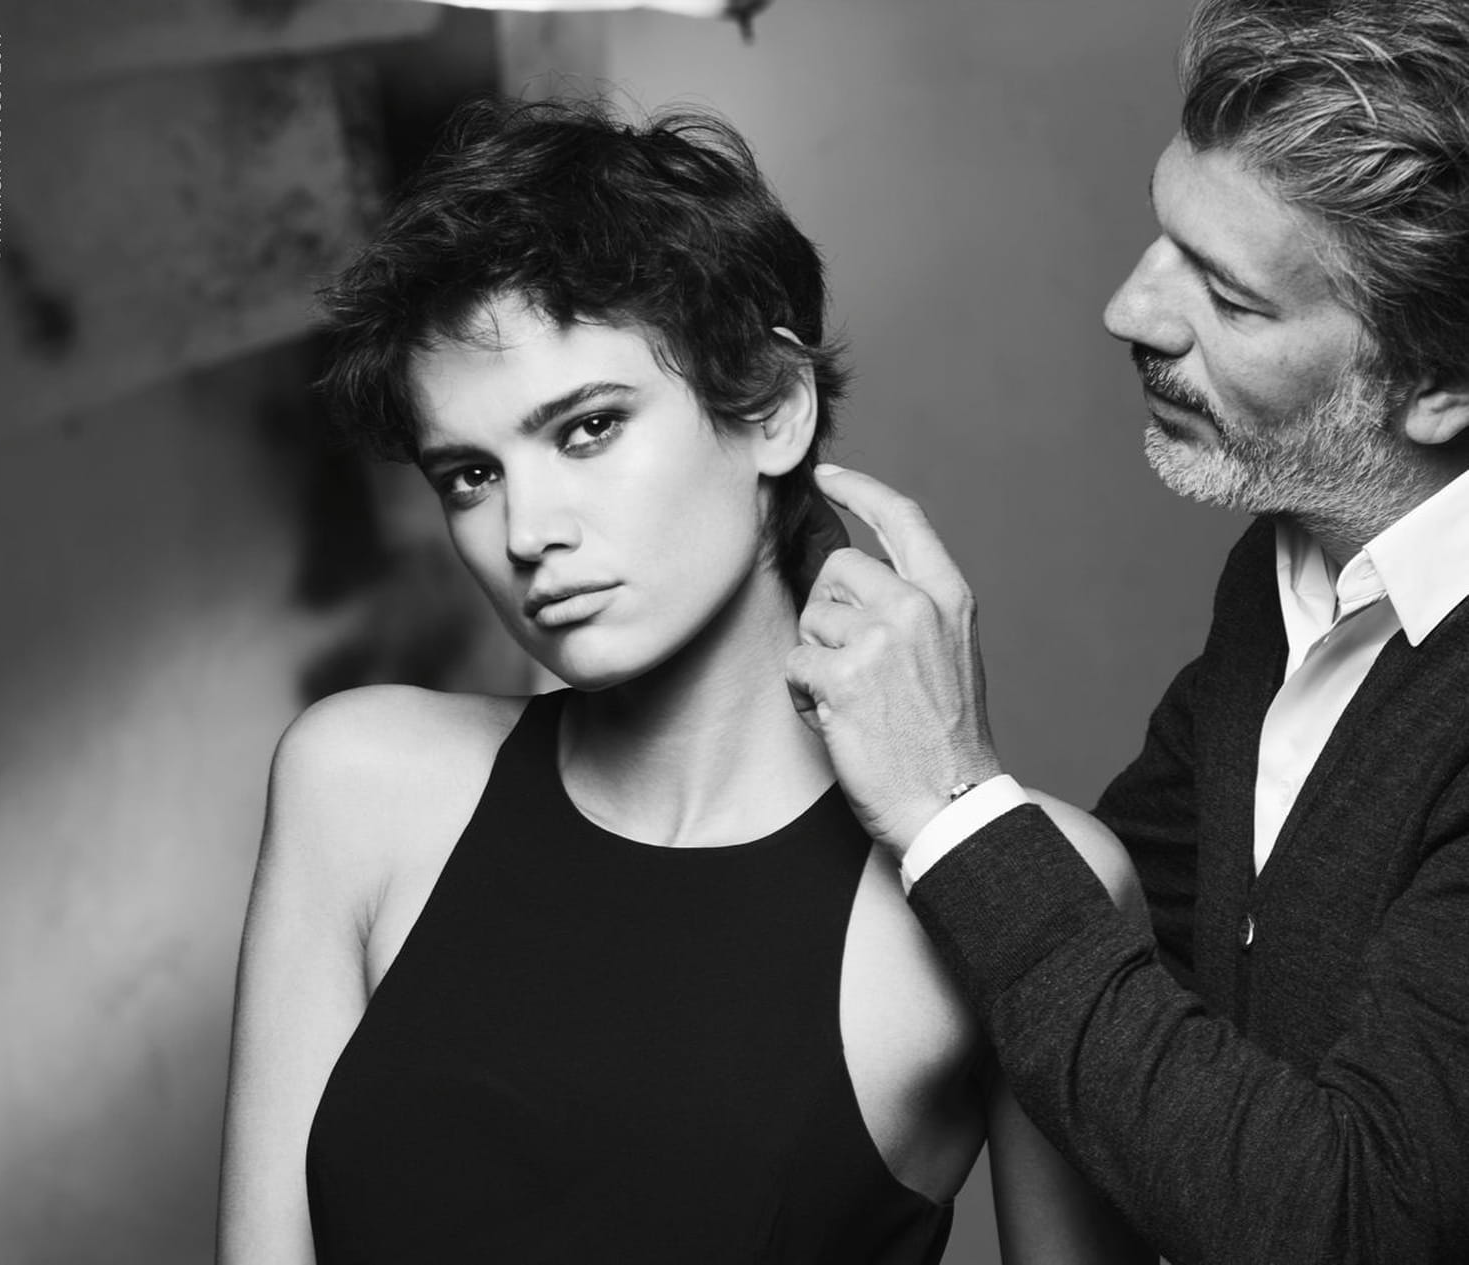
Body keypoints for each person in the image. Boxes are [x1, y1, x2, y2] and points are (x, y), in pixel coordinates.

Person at [215, 98, 1150, 1264]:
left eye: (588, 428)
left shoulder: (1015, 886)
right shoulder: (357, 783)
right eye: (468, 475)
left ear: (773, 407)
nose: (526, 530)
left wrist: (963, 813)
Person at [786, 1, 1469, 1262]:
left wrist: (950, 796)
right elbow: (1108, 926)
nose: (1130, 309)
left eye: (1228, 297)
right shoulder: (1290, 575)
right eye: (1166, 236)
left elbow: (1355, 1220)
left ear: (1442, 385)